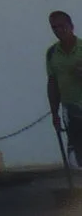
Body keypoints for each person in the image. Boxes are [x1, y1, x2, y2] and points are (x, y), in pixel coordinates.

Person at [49, 12, 82, 167]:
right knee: (76, 156)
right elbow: (52, 84)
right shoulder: (52, 53)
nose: (58, 30)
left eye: (62, 26)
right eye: (54, 27)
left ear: (71, 26)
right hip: (70, 109)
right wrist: (54, 113)